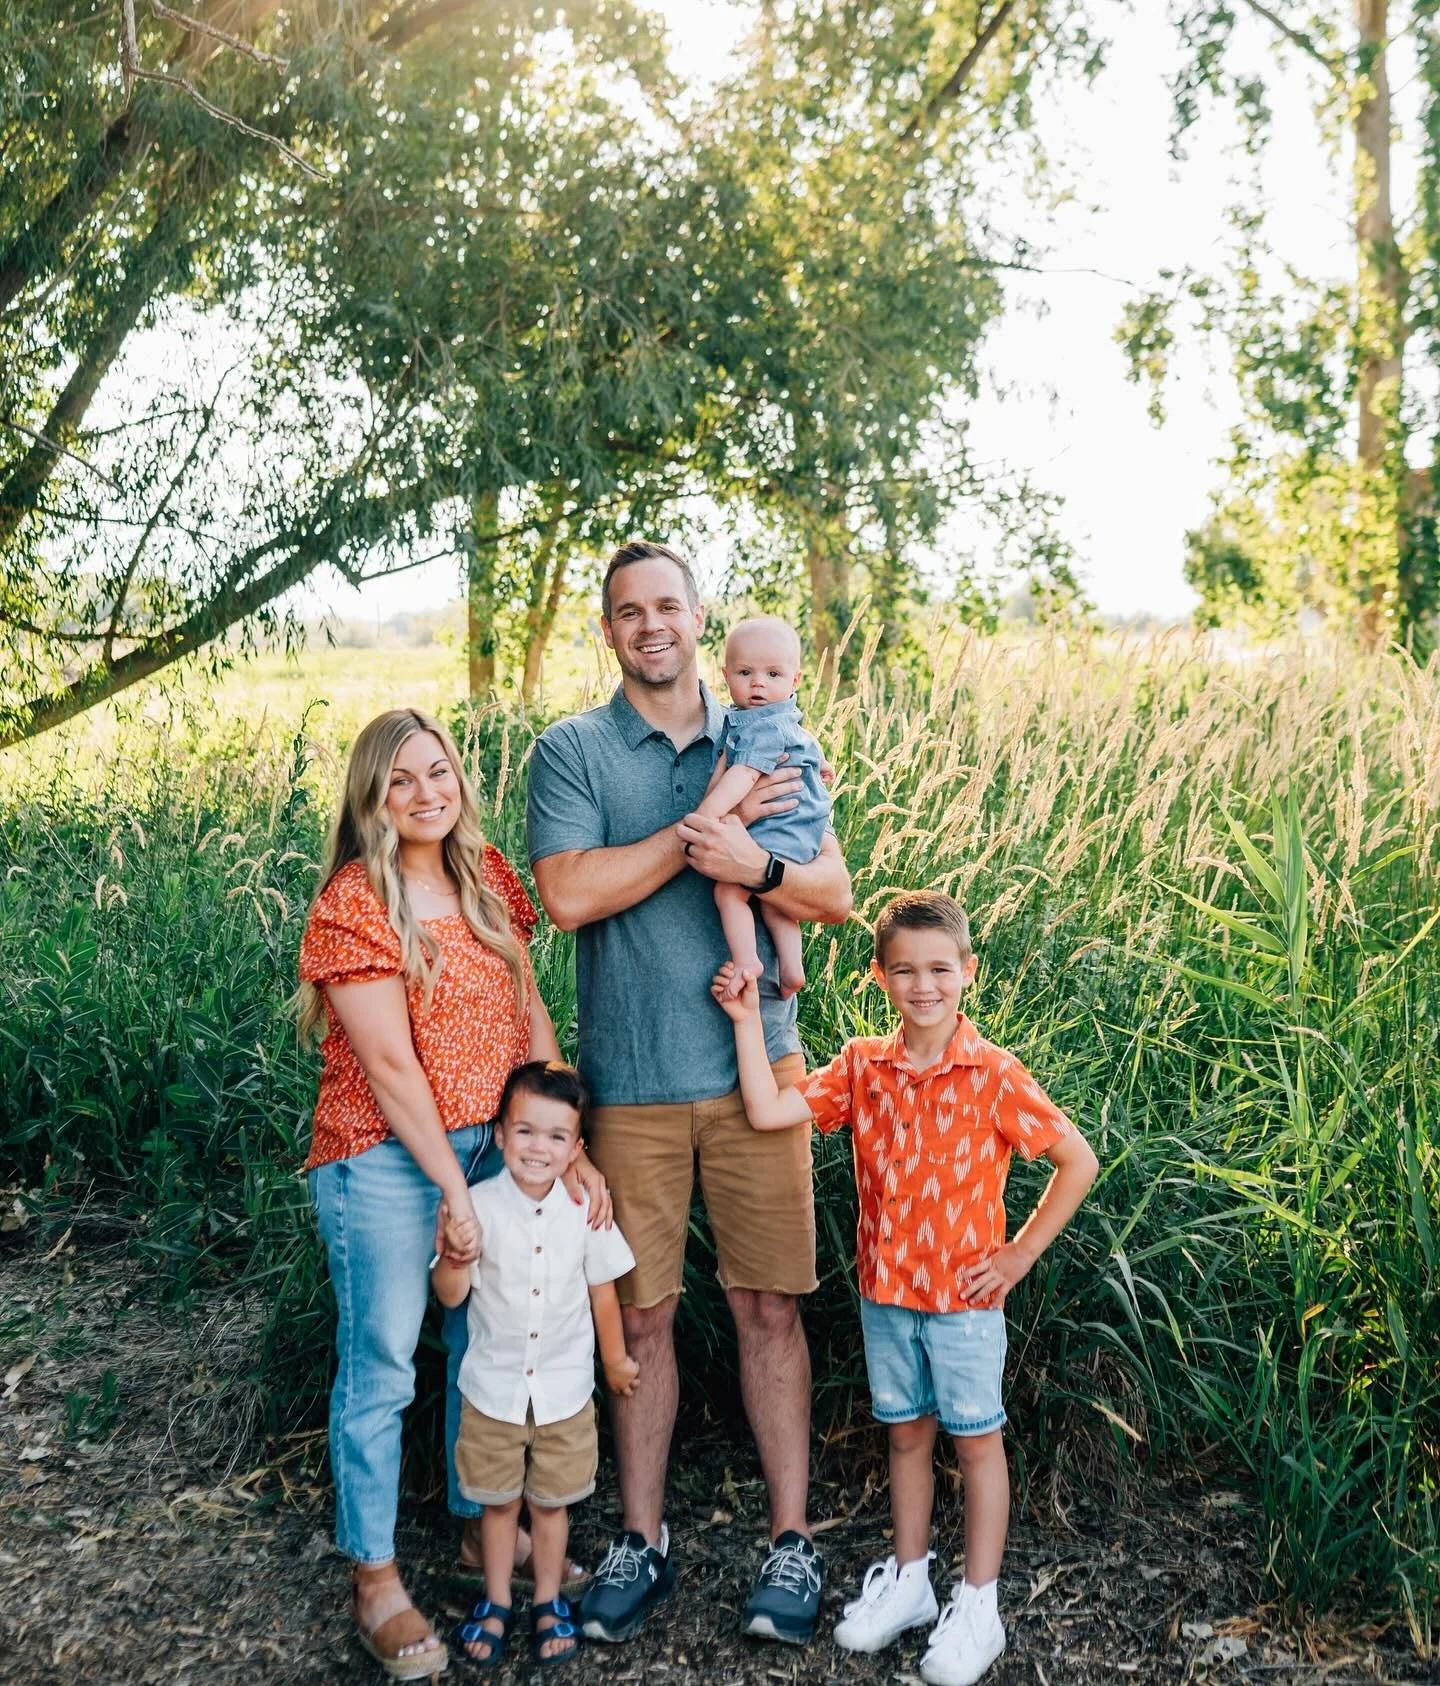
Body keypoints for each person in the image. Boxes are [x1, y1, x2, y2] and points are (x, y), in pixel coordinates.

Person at [526, 540, 854, 1646]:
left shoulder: (764, 728)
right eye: (629, 611)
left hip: (765, 1071)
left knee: (771, 1307)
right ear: (608, 629)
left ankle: (793, 1542)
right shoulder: (571, 750)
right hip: (633, 1086)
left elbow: (835, 890)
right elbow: (571, 896)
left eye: (668, 605)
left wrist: (751, 865)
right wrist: (699, 834)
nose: (650, 624)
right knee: (646, 1317)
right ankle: (642, 1535)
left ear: (699, 617)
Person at [712, 890, 1099, 1686]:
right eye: (905, 971)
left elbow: (1078, 1162)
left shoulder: (993, 1073)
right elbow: (766, 1107)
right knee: (906, 1436)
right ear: (880, 978)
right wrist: (750, 1018)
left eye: (940, 969)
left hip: (964, 1302)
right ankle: (911, 1580)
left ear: (967, 973)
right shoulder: (863, 1066)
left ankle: (979, 1604)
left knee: (976, 1440)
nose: (924, 985)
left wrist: (1020, 1256)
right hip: (888, 1296)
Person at [297, 708, 609, 1681]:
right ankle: (377, 1579)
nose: (428, 793)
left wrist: (572, 1146)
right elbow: (390, 1067)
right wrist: (454, 1188)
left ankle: (481, 1535)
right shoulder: (355, 902)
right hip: (386, 1158)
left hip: (499, 1150)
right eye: (402, 780)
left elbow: (529, 1016)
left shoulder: (485, 883)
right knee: (385, 1364)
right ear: (372, 798)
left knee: (486, 1347)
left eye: (440, 772)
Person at [432, 1061, 639, 1669]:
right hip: (493, 1391)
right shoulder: (475, 1206)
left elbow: (602, 1290)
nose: (537, 1148)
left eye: (555, 1138)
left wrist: (617, 1360)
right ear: (499, 1134)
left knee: (551, 1504)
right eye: (524, 1132)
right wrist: (452, 1252)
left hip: (564, 1392)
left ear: (577, 1148)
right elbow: (451, 1295)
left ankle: (548, 1599)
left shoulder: (584, 1209)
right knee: (498, 1504)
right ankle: (497, 1599)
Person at [695, 616, 830, 999]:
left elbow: (744, 775)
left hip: (779, 826)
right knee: (776, 901)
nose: (758, 683)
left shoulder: (761, 727)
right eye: (745, 672)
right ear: (725, 675)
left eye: (772, 673)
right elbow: (803, 741)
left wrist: (707, 813)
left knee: (729, 893)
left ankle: (747, 960)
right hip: (801, 832)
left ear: (795, 680)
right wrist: (820, 763)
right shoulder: (779, 716)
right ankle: (791, 968)